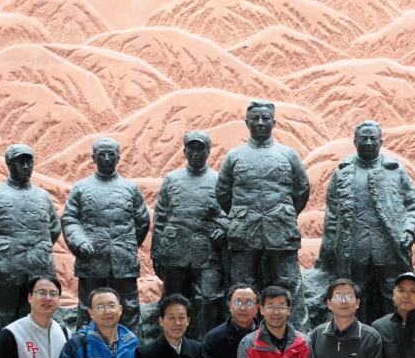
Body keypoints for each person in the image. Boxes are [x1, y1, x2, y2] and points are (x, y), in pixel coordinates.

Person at [216, 100, 310, 328]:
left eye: (265, 118)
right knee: (242, 284)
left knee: (289, 282)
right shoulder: (234, 156)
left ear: (273, 122)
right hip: (244, 231)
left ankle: (297, 332)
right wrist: (242, 215)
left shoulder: (288, 155)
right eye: (255, 118)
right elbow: (223, 193)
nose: (260, 123)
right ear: (246, 122)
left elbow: (302, 190)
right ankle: (243, 332)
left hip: (281, 229)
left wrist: (282, 213)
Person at [318, 120, 415, 323]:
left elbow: (414, 206)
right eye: (363, 138)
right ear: (354, 141)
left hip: (389, 248)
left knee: (392, 294)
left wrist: (408, 232)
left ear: (381, 141)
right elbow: (332, 215)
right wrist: (328, 250)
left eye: (373, 138)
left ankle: (394, 335)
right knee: (356, 296)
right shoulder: (342, 172)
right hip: (353, 249)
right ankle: (359, 336)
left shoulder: (395, 170)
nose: (368, 142)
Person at [62, 138, 151, 331]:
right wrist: (80, 242)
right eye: (102, 154)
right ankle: (86, 345)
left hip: (123, 261)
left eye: (112, 154)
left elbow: (142, 221)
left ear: (118, 157)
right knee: (88, 307)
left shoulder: (130, 188)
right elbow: (70, 219)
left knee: (128, 307)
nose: (107, 158)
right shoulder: (81, 188)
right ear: (93, 158)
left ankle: (130, 346)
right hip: (91, 259)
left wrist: (126, 245)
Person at [0, 144, 60, 327]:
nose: (26, 167)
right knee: (3, 317)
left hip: (39, 266)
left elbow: (53, 228)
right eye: (20, 162)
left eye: (29, 162)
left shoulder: (43, 196)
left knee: (37, 316)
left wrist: (37, 248)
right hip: (5, 266)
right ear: (9, 165)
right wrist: (4, 249)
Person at [151, 130, 227, 335]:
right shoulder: (171, 179)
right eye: (191, 149)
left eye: (200, 149)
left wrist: (222, 227)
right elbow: (160, 217)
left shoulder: (218, 180)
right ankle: (172, 344)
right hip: (175, 251)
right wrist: (157, 252)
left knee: (209, 299)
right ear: (184, 151)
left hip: (207, 252)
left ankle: (206, 344)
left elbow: (229, 213)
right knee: (173, 300)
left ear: (208, 151)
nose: (195, 153)